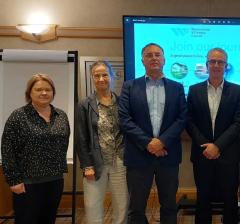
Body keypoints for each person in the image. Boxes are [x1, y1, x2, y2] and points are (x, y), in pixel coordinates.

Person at [118, 43, 187, 224]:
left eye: (158, 55)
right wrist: (149, 143)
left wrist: (162, 142)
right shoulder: (129, 86)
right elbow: (125, 119)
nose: (154, 58)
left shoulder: (177, 87)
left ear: (164, 60)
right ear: (143, 61)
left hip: (168, 156)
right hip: (138, 156)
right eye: (149, 55)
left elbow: (182, 118)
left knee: (169, 205)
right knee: (137, 208)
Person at [1, 73, 70, 224]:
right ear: (29, 93)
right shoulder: (18, 116)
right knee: (27, 220)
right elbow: (7, 149)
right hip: (27, 183)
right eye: (38, 89)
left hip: (55, 180)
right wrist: (14, 180)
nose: (44, 93)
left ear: (53, 92)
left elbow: (64, 143)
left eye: (48, 89)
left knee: (48, 220)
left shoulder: (61, 115)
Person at [186, 47, 240, 224]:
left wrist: (217, 146)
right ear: (207, 64)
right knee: (202, 198)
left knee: (230, 200)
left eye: (221, 62)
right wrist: (206, 145)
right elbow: (189, 121)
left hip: (228, 154)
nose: (216, 65)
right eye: (213, 61)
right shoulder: (194, 90)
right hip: (202, 153)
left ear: (226, 66)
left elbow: (238, 123)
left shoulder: (237, 90)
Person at [76, 61, 128, 224]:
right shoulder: (85, 104)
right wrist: (87, 166)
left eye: (105, 74)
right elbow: (81, 137)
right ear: (92, 78)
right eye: (96, 75)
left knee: (122, 205)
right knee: (93, 205)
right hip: (95, 163)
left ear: (112, 77)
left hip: (119, 161)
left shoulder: (122, 103)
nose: (101, 79)